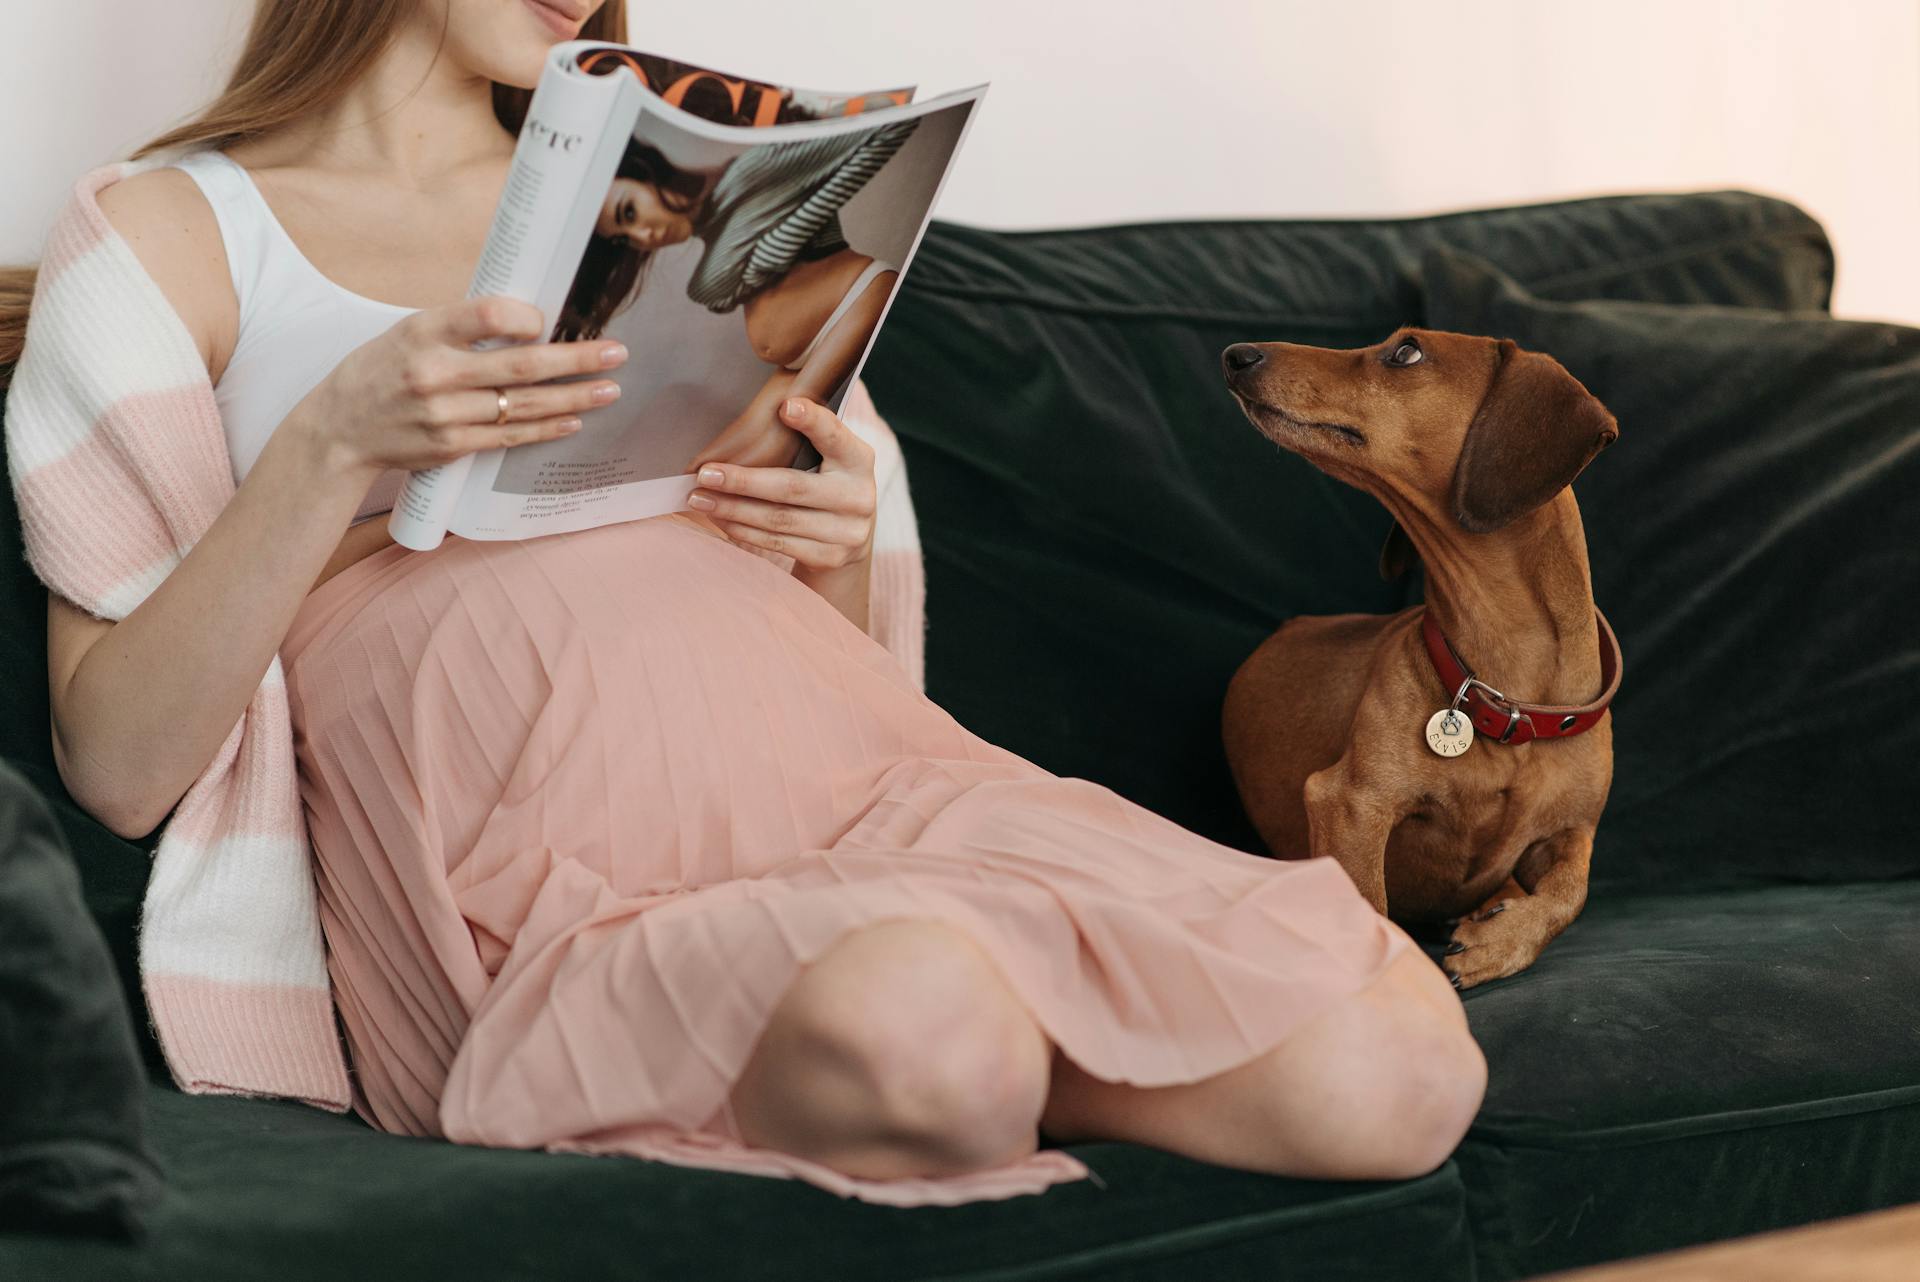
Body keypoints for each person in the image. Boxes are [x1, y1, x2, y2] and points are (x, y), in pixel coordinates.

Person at [3, 0, 1485, 1205]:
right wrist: (332, 445)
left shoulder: (664, 210)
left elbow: (839, 653)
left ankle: (950, 1049)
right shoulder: (169, 235)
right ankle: (937, 1048)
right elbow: (119, 765)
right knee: (927, 1028)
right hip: (562, 884)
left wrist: (832, 531)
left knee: (1406, 1066)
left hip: (869, 786)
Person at [557, 120, 915, 470]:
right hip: (792, 363)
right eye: (624, 237)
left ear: (646, 172)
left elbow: (890, 125)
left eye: (629, 211)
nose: (642, 237)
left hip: (856, 300)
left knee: (765, 460)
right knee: (699, 469)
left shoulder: (748, 171)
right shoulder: (717, 242)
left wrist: (794, 224)